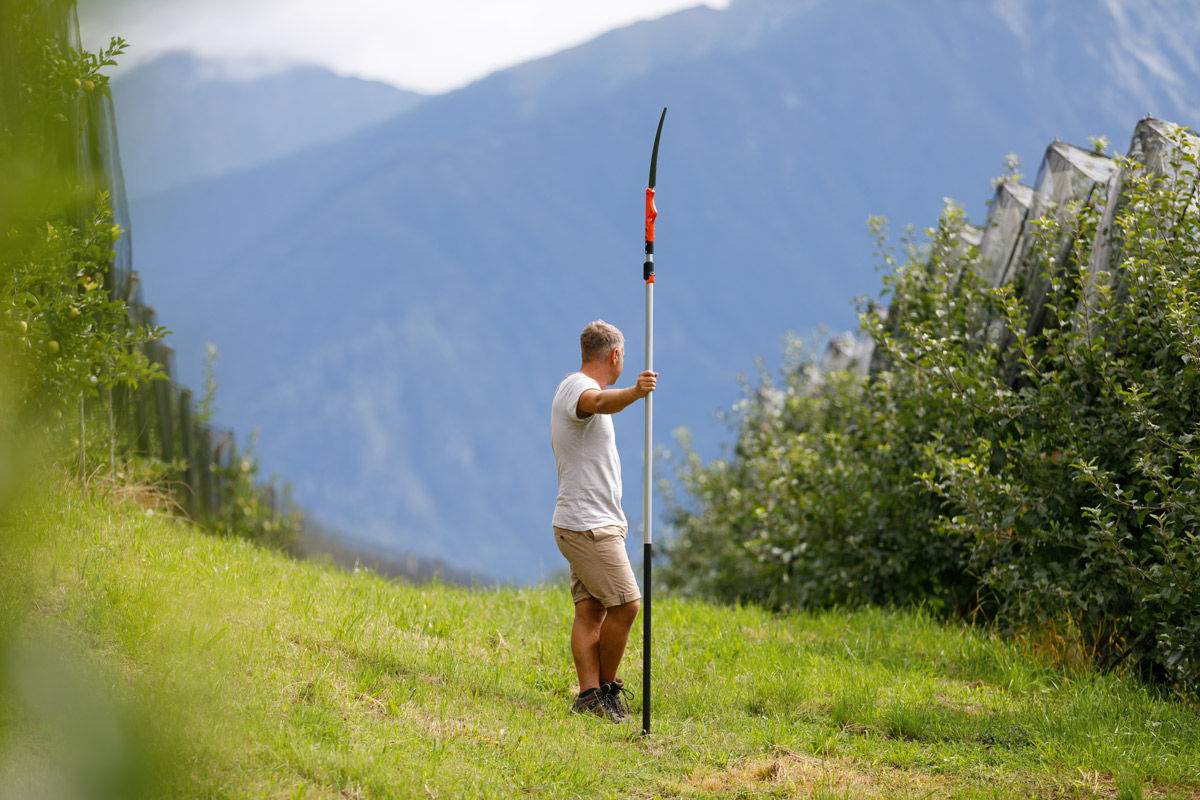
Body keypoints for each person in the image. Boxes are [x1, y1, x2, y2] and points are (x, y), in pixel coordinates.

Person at [551, 319, 657, 723]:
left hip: (587, 522)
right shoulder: (579, 388)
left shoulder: (573, 385)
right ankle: (608, 689)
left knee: (591, 611)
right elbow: (596, 403)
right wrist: (635, 391)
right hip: (587, 526)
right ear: (615, 356)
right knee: (628, 604)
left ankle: (589, 694)